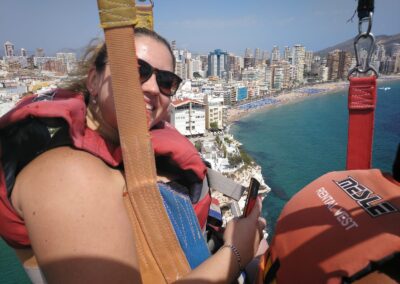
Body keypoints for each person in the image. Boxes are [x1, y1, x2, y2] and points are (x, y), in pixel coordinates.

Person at [0, 27, 266, 283]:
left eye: (166, 82)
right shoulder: (68, 174)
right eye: (136, 71)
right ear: (93, 80)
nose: (152, 88)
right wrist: (236, 252)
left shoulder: (124, 141)